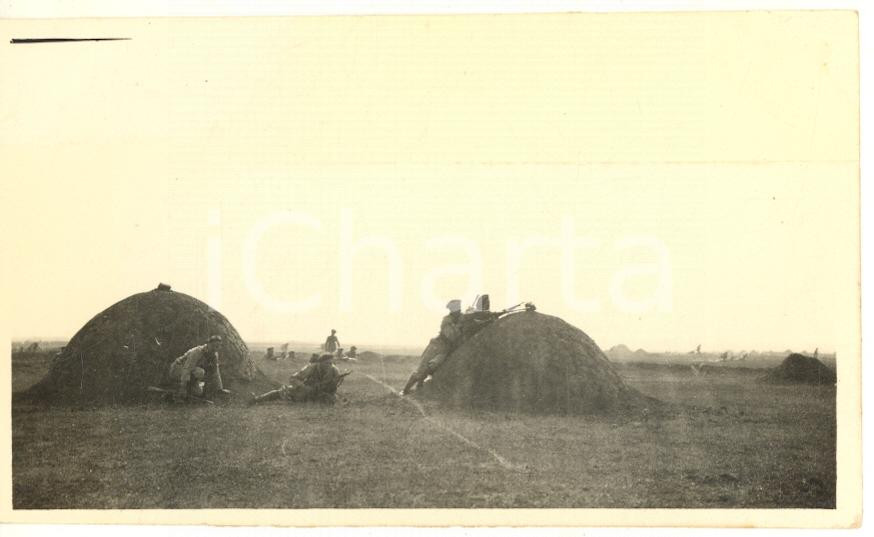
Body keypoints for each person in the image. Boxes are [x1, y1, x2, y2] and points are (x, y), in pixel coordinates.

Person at [401, 299, 465, 395]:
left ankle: (419, 388)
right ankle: (405, 390)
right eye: (456, 310)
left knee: (432, 368)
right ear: (451, 310)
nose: (458, 311)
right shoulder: (447, 320)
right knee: (421, 370)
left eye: (458, 309)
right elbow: (451, 336)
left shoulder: (462, 318)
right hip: (437, 346)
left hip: (446, 349)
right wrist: (459, 327)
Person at [249, 353, 348, 405]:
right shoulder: (311, 367)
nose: (329, 365)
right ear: (320, 363)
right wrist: (304, 387)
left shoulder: (334, 370)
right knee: (279, 393)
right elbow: (293, 378)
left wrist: (335, 383)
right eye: (327, 363)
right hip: (305, 391)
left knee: (330, 400)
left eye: (331, 363)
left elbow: (333, 388)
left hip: (321, 394)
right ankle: (257, 399)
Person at [168, 335, 232, 401]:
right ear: (208, 344)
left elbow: (215, 371)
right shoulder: (197, 351)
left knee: (198, 393)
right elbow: (187, 369)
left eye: (218, 346)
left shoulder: (214, 355)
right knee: (200, 372)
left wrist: (220, 388)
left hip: (191, 373)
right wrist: (183, 387)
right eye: (213, 346)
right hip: (178, 369)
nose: (215, 348)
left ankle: (188, 387)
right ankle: (181, 387)